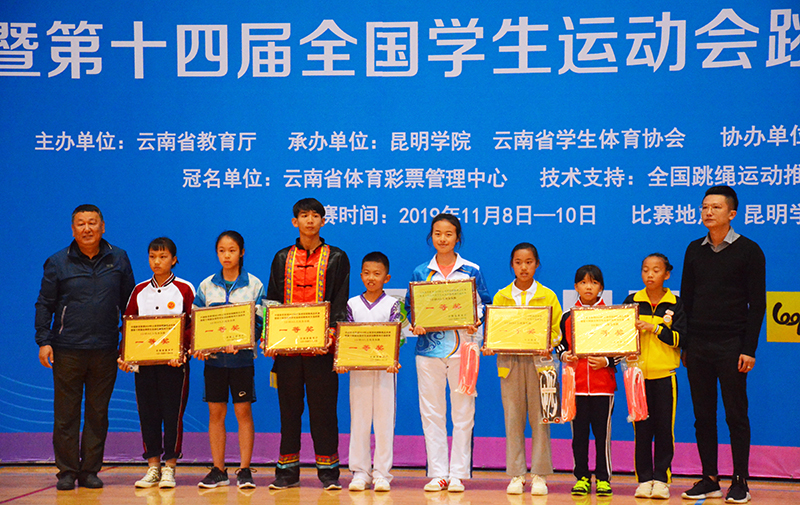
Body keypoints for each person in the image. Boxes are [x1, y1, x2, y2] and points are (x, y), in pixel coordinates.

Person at [35, 204, 136, 491]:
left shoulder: (119, 258)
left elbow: (130, 303)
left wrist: (129, 344)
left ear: (103, 227)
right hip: (67, 349)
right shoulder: (58, 262)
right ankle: (67, 471)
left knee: (97, 413)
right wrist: (44, 341)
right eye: (81, 224)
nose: (87, 228)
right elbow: (44, 304)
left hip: (105, 348)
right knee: (66, 414)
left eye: (92, 223)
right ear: (73, 229)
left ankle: (90, 470)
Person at [680, 185, 766, 504]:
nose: (708, 212)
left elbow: (757, 305)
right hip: (698, 346)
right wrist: (686, 344)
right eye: (705, 206)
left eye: (715, 207)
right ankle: (710, 478)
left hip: (732, 345)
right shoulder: (694, 249)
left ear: (732, 213)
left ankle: (740, 480)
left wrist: (748, 348)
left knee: (735, 414)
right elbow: (686, 300)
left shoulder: (750, 251)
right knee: (703, 415)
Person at [265, 198, 350, 490]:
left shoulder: (337, 257)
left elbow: (340, 300)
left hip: (321, 349)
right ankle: (287, 472)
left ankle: (329, 473)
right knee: (289, 410)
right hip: (287, 350)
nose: (310, 220)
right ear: (295, 221)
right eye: (304, 215)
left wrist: (330, 336)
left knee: (323, 410)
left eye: (315, 215)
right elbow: (272, 300)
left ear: (323, 221)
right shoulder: (282, 258)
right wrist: (270, 336)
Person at [406, 213, 492, 493]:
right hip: (428, 350)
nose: (442, 239)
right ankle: (438, 473)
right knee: (432, 413)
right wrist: (415, 324)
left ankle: (458, 474)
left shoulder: (471, 270)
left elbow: (485, 304)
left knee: (463, 412)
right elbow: (410, 307)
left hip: (464, 350)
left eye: (448, 234)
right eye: (437, 233)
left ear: (458, 237)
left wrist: (476, 320)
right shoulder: (421, 272)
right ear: (431, 236)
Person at [483, 242, 562, 496]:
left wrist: (548, 343)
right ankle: (516, 474)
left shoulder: (548, 296)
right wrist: (491, 344)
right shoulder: (502, 296)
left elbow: (557, 331)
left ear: (537, 264)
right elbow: (494, 330)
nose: (524, 267)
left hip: (541, 364)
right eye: (518, 262)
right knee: (513, 419)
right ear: (512, 265)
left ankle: (539, 474)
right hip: (510, 364)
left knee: (541, 419)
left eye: (529, 262)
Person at [118, 237, 195, 489]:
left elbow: (193, 326)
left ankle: (170, 467)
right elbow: (129, 325)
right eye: (152, 257)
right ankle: (153, 466)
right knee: (148, 414)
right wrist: (125, 356)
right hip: (145, 366)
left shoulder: (185, 289)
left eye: (163, 257)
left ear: (174, 259)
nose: (157, 261)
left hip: (174, 365)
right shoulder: (140, 291)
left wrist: (181, 351)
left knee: (173, 415)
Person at [193, 231, 266, 490]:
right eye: (222, 251)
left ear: (242, 252)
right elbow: (197, 322)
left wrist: (244, 340)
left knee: (243, 412)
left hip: (241, 361)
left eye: (232, 250)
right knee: (216, 413)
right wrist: (199, 346)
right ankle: (218, 470)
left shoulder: (254, 285)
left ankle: (244, 470)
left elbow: (260, 323)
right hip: (214, 362)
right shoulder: (206, 286)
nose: (227, 255)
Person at [623, 253, 686, 500]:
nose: (650, 274)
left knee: (664, 430)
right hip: (637, 378)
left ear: (667, 274)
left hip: (664, 376)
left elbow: (681, 339)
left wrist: (656, 328)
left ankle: (661, 479)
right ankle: (644, 480)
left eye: (656, 270)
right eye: (646, 270)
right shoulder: (632, 301)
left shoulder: (676, 304)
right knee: (641, 431)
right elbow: (619, 336)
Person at [338, 252, 401, 493]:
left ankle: (382, 473)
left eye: (377, 273)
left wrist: (393, 359)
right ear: (360, 275)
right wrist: (343, 360)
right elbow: (346, 337)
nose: (371, 278)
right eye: (366, 273)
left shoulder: (393, 304)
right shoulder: (352, 304)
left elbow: (397, 336)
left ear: (387, 277)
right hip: (359, 370)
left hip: (386, 371)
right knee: (360, 420)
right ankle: (360, 472)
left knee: (384, 421)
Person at [555, 265, 615, 497]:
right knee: (578, 436)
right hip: (576, 387)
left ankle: (603, 478)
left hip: (603, 387)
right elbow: (560, 345)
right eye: (583, 282)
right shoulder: (568, 316)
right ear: (576, 286)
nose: (588, 287)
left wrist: (606, 361)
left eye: (594, 282)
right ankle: (581, 477)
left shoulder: (611, 315)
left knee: (602, 436)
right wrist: (564, 356)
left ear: (601, 287)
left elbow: (623, 349)